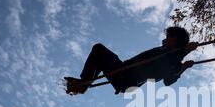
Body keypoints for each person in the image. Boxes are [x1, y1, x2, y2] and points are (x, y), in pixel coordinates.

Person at [64, 27, 198, 95]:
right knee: (99, 54)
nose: (166, 38)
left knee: (99, 49)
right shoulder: (166, 52)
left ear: (176, 40)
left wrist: (185, 58)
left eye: (169, 37)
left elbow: (168, 80)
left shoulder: (173, 58)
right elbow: (169, 72)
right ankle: (84, 83)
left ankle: (83, 84)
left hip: (128, 78)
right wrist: (182, 53)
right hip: (125, 72)